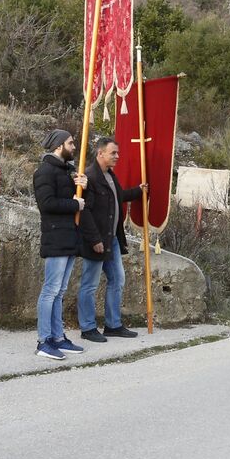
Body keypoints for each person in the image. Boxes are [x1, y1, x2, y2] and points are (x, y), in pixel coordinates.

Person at [77, 136, 147, 343]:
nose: (117, 156)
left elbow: (118, 197)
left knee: (118, 279)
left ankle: (113, 325)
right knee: (89, 284)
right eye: (113, 153)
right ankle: (87, 328)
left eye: (117, 152)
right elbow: (85, 212)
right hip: (96, 240)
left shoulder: (110, 175)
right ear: (100, 154)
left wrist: (138, 191)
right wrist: (94, 239)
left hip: (112, 239)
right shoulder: (89, 177)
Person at [33, 129, 88, 361]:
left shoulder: (66, 172)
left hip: (68, 238)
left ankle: (57, 337)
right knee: (50, 291)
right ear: (58, 147)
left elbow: (78, 201)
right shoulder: (45, 171)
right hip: (56, 238)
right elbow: (47, 204)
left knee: (60, 291)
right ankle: (44, 340)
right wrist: (74, 204)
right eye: (70, 143)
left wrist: (82, 186)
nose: (74, 147)